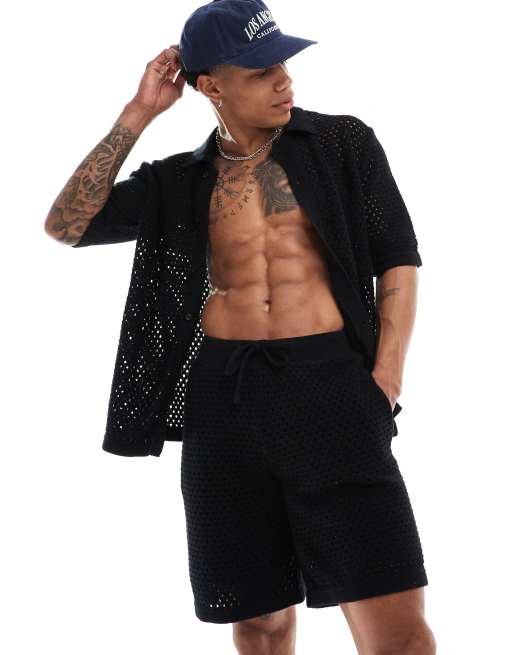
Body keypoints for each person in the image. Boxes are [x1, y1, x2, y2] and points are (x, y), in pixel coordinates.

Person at [44, 1, 436, 652]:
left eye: (283, 63)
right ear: (211, 87)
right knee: (257, 620)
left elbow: (396, 255)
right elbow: (67, 225)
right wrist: (139, 112)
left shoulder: (341, 144)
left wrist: (385, 377)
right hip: (224, 402)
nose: (284, 80)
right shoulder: (181, 180)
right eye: (260, 71)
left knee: (396, 629)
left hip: (332, 391)